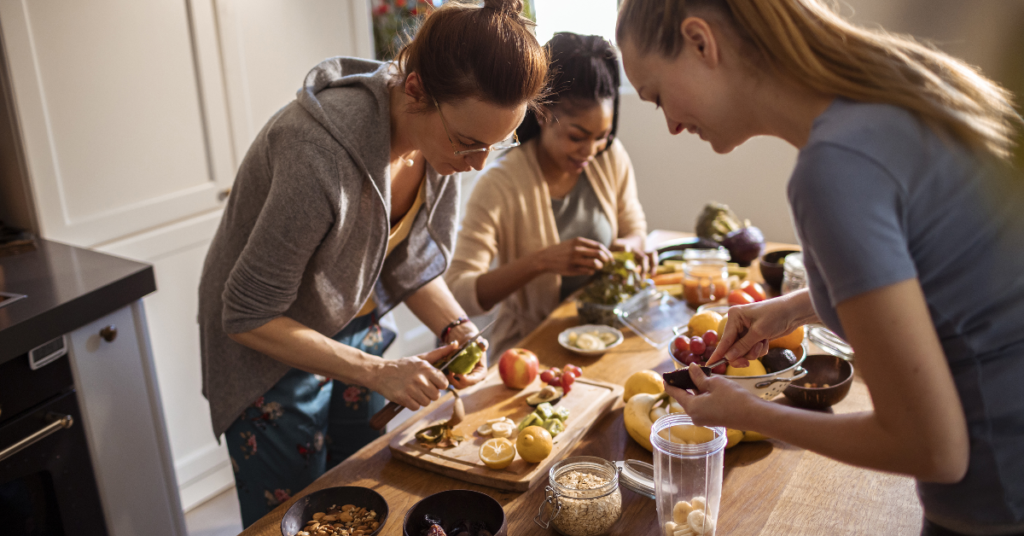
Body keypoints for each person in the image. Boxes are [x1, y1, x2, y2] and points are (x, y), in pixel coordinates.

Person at [616, 1, 1024, 534]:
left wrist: (750, 413)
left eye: (657, 96)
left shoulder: (832, 170)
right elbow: (946, 268)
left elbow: (934, 448)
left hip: (996, 501)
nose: (669, 125)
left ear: (700, 42)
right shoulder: (894, 93)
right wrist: (795, 308)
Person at [197, 0, 547, 525]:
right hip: (268, 352)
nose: (476, 165)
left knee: (359, 503)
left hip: (353, 329)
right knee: (298, 518)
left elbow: (399, 261)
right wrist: (379, 371)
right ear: (414, 91)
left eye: (497, 145)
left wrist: (456, 327)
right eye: (469, 143)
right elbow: (247, 315)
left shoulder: (439, 149)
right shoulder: (315, 153)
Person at [446, 33, 648, 357]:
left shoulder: (609, 156)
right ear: (541, 113)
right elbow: (460, 290)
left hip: (607, 336)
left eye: (602, 137)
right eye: (577, 136)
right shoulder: (500, 184)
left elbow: (633, 224)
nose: (590, 151)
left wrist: (633, 245)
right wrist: (540, 262)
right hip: (532, 349)